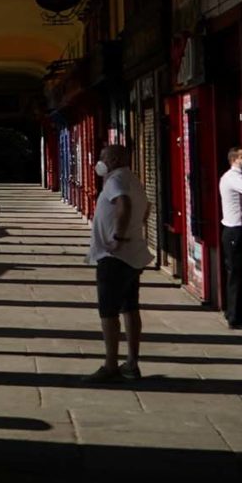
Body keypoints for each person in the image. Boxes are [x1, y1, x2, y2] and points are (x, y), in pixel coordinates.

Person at [88, 143, 152, 381]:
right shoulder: (133, 179)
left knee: (108, 312)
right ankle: (132, 363)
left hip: (114, 256)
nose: (99, 160)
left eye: (102, 156)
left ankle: (111, 365)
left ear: (113, 159)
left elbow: (123, 205)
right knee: (130, 308)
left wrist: (118, 237)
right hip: (132, 254)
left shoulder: (115, 180)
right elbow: (147, 209)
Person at [218, 145, 242, 330]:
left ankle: (234, 311)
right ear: (234, 159)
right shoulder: (233, 178)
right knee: (237, 274)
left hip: (236, 230)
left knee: (237, 273)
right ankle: (235, 316)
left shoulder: (234, 177)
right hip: (235, 230)